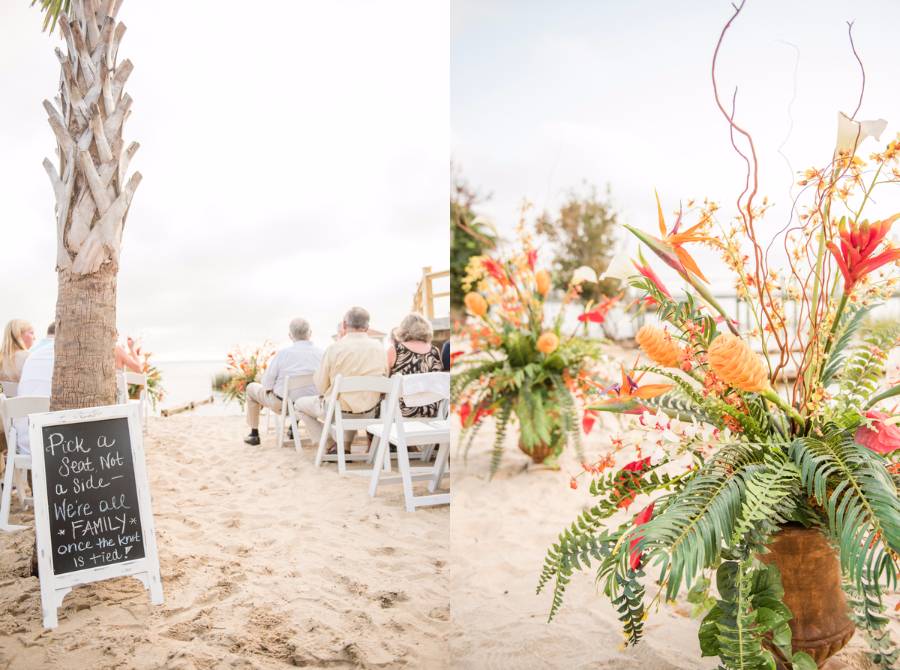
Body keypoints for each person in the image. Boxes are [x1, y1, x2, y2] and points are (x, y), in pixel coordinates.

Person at [295, 307, 386, 453]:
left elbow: (321, 387)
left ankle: (330, 444)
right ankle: (344, 445)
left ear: (344, 325)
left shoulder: (334, 348)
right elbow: (384, 382)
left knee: (299, 405)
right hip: (371, 412)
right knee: (349, 400)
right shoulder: (379, 348)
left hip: (339, 413)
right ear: (367, 327)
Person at [244, 318, 323, 446]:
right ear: (310, 333)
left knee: (251, 388)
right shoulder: (322, 353)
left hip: (283, 406)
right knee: (298, 392)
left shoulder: (283, 354)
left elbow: (266, 384)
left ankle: (254, 433)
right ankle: (293, 427)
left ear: (290, 335)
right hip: (311, 404)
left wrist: (272, 389)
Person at [388, 313, 444, 418]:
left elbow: (385, 381)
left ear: (403, 329)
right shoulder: (435, 351)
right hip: (431, 411)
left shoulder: (395, 350)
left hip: (401, 414)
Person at [14, 323, 55, 457]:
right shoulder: (27, 356)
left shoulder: (31, 355)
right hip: (53, 442)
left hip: (20, 436)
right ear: (19, 335)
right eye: (31, 333)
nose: (35, 337)